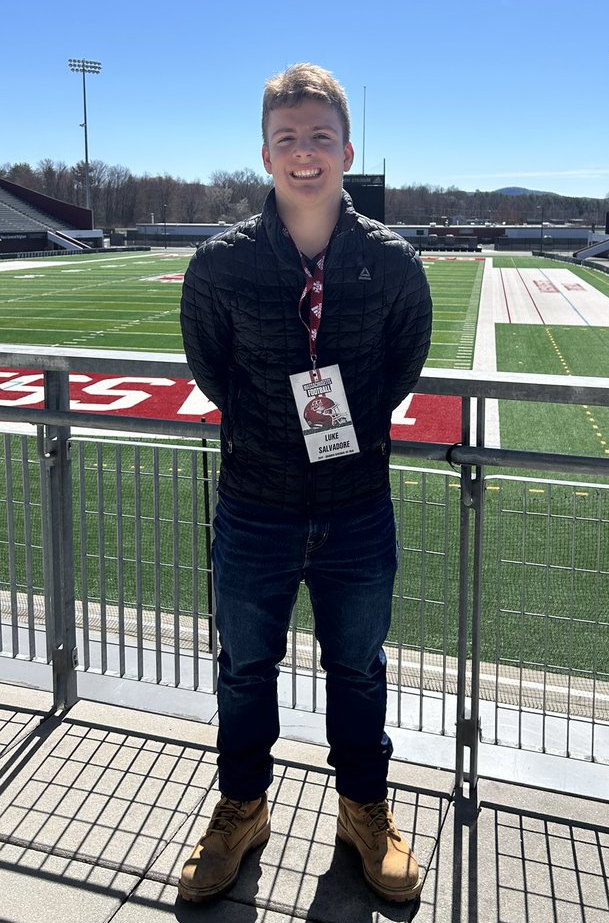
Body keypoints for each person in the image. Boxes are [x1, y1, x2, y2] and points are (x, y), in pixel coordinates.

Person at [178, 63, 432, 905]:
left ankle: (365, 812)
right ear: (265, 154)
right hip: (255, 507)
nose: (305, 153)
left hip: (357, 507)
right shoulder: (219, 266)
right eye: (288, 138)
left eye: (320, 136)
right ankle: (242, 809)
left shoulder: (393, 264)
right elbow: (215, 372)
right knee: (245, 669)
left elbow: (398, 372)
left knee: (358, 669)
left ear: (348, 149)